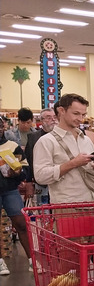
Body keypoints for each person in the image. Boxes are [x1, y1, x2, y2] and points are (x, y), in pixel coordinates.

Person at [34, 93, 94, 286]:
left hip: (92, 206)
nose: (80, 118)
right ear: (60, 111)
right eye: (76, 113)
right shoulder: (46, 142)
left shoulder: (86, 138)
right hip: (67, 209)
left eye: (83, 114)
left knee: (83, 264)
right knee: (63, 265)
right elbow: (41, 176)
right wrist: (72, 163)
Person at [0, 116, 32, 277]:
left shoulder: (12, 146)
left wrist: (18, 172)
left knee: (22, 224)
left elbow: (25, 168)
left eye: (0, 126)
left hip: (10, 190)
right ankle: (0, 262)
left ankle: (32, 260)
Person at [25, 107, 57, 207]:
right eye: (48, 117)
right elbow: (29, 160)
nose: (52, 119)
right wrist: (29, 182)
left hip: (59, 178)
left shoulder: (61, 136)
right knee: (43, 210)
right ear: (42, 121)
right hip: (41, 181)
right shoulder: (33, 137)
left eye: (54, 117)